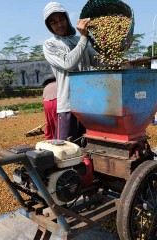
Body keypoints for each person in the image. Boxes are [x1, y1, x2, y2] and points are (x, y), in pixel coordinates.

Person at [43, 2, 99, 142]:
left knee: (89, 145)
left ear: (67, 19)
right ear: (49, 26)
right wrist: (84, 38)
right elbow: (68, 63)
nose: (59, 24)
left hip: (88, 103)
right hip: (68, 104)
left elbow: (98, 61)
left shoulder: (80, 39)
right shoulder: (50, 44)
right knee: (67, 149)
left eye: (61, 19)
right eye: (53, 22)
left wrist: (111, 49)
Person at [42, 73, 57, 140]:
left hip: (46, 103)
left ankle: (49, 137)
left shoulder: (46, 87)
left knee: (49, 121)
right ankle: (57, 137)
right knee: (57, 121)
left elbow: (43, 98)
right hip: (56, 101)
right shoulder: (58, 84)